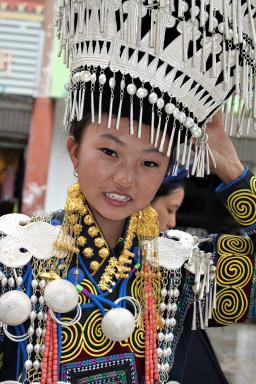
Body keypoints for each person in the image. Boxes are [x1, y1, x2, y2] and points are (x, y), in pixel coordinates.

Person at [0, 2, 255, 384]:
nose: (125, 178)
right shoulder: (15, 259)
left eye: (149, 163)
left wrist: (233, 172)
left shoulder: (183, 270)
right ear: (74, 150)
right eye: (109, 152)